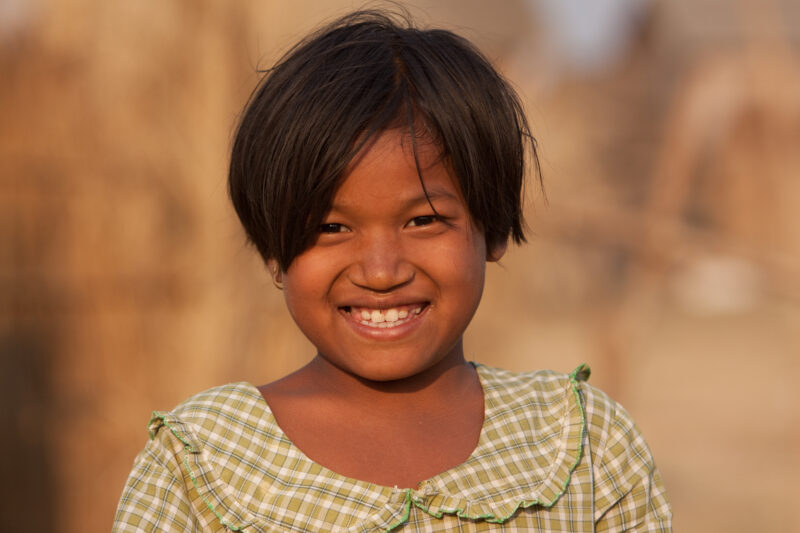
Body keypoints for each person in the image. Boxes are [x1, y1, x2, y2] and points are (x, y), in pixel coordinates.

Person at [113, 9, 672, 532]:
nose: (380, 272)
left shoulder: (580, 446)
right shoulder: (204, 460)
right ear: (274, 251)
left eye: (424, 220)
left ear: (494, 227)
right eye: (331, 228)